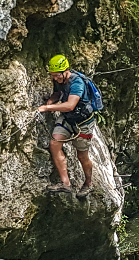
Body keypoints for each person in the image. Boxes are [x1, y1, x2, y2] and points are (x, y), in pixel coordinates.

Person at [37, 54, 97, 197]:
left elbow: (70, 105)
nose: (55, 79)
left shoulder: (77, 83)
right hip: (68, 119)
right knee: (54, 144)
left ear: (65, 71)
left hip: (83, 122)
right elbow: (58, 93)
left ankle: (88, 183)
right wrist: (51, 100)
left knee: (82, 156)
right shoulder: (60, 80)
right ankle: (65, 184)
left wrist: (47, 108)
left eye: (57, 75)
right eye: (52, 76)